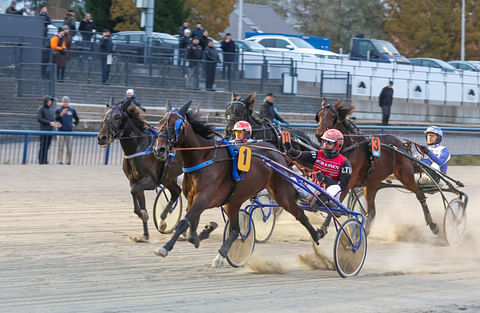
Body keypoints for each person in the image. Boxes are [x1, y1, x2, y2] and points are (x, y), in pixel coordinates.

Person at [283, 128, 352, 237]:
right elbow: (298, 155)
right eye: (324, 141)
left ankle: (321, 199)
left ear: (337, 145)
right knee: (289, 177)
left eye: (328, 142)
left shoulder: (344, 163)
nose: (325, 144)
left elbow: (343, 185)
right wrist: (288, 148)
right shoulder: (317, 155)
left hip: (331, 196)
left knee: (334, 189)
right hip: (312, 190)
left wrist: (325, 179)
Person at [55, 96, 80, 165]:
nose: (65, 103)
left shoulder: (72, 110)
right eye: (64, 102)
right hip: (60, 131)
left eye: (66, 102)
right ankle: (59, 160)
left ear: (68, 102)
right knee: (60, 147)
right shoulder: (58, 110)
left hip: (69, 131)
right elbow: (56, 119)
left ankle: (68, 161)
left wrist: (73, 124)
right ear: (62, 102)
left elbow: (77, 119)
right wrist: (61, 114)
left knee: (69, 147)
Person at [37, 95, 61, 164]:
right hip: (43, 131)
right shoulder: (41, 108)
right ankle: (41, 160)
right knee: (43, 146)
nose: (50, 102)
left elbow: (51, 120)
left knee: (47, 147)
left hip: (50, 131)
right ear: (45, 101)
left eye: (51, 101)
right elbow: (39, 119)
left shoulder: (49, 109)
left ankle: (45, 160)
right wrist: (49, 123)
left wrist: (56, 124)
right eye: (49, 101)